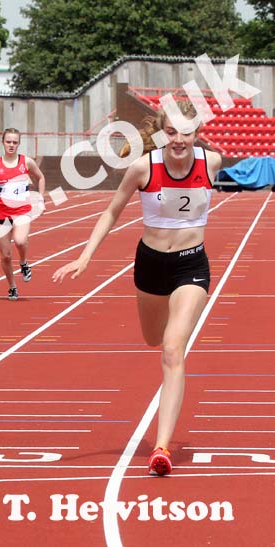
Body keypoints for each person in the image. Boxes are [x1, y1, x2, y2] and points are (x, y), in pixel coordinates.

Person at [52, 100, 221, 476]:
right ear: (162, 133)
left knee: (172, 349)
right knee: (151, 338)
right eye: (172, 132)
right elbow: (111, 211)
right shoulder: (143, 167)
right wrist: (84, 257)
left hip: (192, 265)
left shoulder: (211, 163)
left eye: (186, 132)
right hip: (150, 265)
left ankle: (161, 448)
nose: (179, 140)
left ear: (197, 134)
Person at [0, 128, 45, 300]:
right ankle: (12, 286)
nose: (11, 145)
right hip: (1, 213)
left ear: (18, 143)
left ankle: (24, 262)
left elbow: (40, 177)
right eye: (8, 142)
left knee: (19, 240)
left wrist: (41, 199)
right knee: (5, 255)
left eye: (14, 142)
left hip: (22, 211)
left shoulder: (26, 162)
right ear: (3, 142)